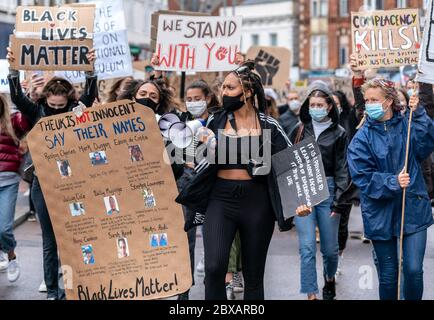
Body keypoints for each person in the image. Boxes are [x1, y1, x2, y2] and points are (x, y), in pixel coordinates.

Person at [176, 61, 311, 300]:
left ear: (247, 92)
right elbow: (189, 155)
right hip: (220, 199)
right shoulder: (215, 121)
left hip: (257, 202)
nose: (224, 93)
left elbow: (292, 164)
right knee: (215, 267)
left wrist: (299, 201)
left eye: (230, 88)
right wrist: (198, 149)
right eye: (223, 88)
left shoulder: (268, 125)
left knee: (253, 275)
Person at [7, 46, 97, 300]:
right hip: (43, 185)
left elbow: (90, 94)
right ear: (45, 99)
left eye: (61, 105)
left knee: (71, 240)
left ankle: (71, 289)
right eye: (52, 105)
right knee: (50, 242)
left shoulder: (74, 111)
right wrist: (14, 68)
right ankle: (52, 292)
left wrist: (91, 68)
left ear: (68, 101)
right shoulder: (36, 111)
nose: (57, 109)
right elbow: (16, 95)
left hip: (73, 185)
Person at [347, 78, 434, 300]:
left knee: (414, 270)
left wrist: (421, 113)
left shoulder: (408, 124)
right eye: (367, 100)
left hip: (413, 207)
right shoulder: (361, 138)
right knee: (388, 275)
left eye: (374, 100)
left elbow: (425, 144)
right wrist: (392, 182)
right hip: (379, 213)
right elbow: (362, 177)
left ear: (388, 101)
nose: (369, 104)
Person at [289, 81, 349, 300]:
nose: (315, 108)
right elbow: (288, 163)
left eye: (319, 104)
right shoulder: (299, 130)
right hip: (303, 192)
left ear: (329, 106)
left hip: (329, 191)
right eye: (312, 104)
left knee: (330, 250)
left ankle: (329, 278)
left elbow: (343, 168)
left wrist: (339, 199)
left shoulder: (340, 133)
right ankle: (311, 293)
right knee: (306, 247)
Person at [176, 79, 220, 300]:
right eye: (189, 100)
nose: (193, 103)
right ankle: (184, 291)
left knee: (214, 237)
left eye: (197, 99)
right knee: (188, 239)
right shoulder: (181, 121)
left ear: (208, 98)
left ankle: (212, 284)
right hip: (190, 184)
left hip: (214, 185)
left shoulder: (218, 120)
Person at [0, 94, 30, 282]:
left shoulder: (12, 120)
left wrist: (27, 96)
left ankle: (11, 257)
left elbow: (27, 121)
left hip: (8, 181)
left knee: (4, 228)